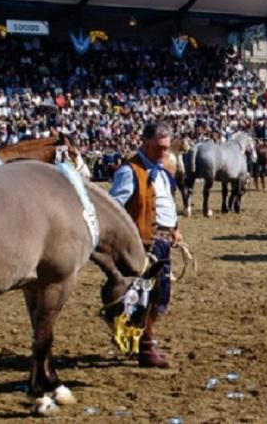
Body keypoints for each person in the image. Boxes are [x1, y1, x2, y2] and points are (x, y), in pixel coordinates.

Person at [108, 122, 182, 368]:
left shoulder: (161, 172)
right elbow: (115, 208)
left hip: (161, 239)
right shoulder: (130, 171)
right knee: (146, 295)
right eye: (159, 148)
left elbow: (164, 202)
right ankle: (146, 347)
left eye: (166, 148)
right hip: (143, 243)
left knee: (160, 295)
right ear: (145, 142)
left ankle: (140, 338)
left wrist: (174, 228)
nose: (164, 152)